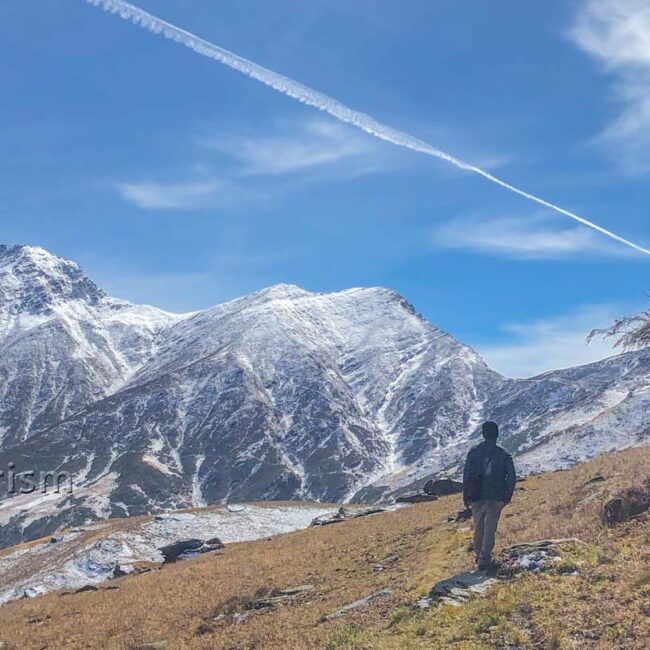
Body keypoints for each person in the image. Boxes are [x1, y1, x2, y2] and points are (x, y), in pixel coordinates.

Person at [463, 421, 516, 570]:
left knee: (478, 526)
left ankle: (478, 554)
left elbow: (467, 475)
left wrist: (466, 496)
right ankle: (484, 558)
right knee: (490, 526)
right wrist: (507, 496)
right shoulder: (503, 454)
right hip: (495, 496)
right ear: (497, 434)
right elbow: (511, 476)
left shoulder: (473, 452)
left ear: (483, 434)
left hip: (476, 495)